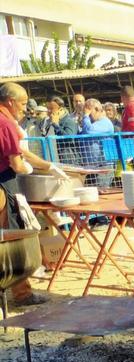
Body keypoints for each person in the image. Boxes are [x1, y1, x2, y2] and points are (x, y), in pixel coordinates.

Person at [0, 82, 69, 306]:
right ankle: (22, 294)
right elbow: (18, 162)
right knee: (14, 238)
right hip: (3, 185)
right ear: (10, 102)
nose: (25, 109)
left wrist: (48, 166)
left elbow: (22, 151)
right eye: (22, 104)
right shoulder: (6, 124)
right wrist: (29, 170)